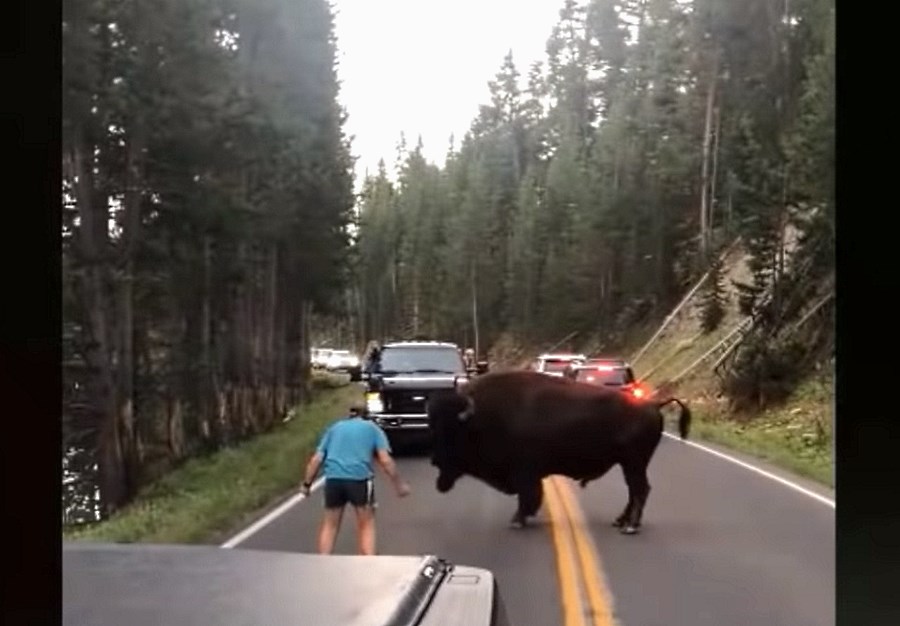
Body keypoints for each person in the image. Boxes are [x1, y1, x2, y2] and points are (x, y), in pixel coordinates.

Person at [300, 403, 411, 555]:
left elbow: (316, 459)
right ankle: (367, 563)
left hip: (333, 480)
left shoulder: (334, 428)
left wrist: (307, 484)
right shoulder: (372, 429)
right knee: (366, 524)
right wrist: (399, 485)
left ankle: (323, 562)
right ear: (367, 415)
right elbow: (385, 460)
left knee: (330, 525)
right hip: (359, 480)